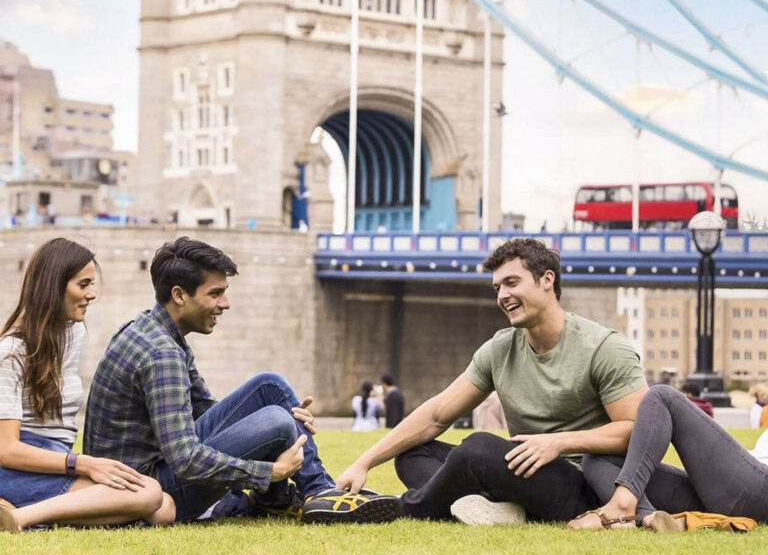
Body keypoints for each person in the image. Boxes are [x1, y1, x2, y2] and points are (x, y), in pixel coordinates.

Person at [314, 238, 647, 524]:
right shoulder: (500, 348)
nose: (502, 295)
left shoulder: (603, 346)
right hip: (520, 472)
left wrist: (558, 443)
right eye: (497, 287)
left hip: (580, 483)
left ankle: (406, 508)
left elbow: (637, 431)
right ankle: (496, 509)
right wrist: (364, 462)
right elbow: (436, 415)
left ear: (547, 279)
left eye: (512, 283)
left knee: (478, 448)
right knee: (414, 453)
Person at [84, 237, 394, 524]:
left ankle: (307, 493)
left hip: (147, 473)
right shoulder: (161, 353)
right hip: (144, 490)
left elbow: (210, 414)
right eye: (215, 293)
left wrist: (286, 419)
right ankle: (312, 493)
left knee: (270, 387)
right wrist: (269, 471)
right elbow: (186, 459)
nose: (226, 304)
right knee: (276, 421)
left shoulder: (151, 329)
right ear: (179, 295)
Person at [0, 238, 175, 532]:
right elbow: (6, 449)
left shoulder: (73, 333)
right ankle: (18, 520)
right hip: (18, 465)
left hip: (56, 457)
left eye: (92, 284)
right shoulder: (12, 352)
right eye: (83, 285)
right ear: (54, 287)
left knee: (164, 507)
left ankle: (15, 508)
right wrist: (83, 464)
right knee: (150, 495)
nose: (92, 294)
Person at [567, 385, 768, 531]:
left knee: (662, 397)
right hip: (734, 490)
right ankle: (647, 518)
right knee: (597, 455)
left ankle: (623, 505)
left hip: (757, 489)